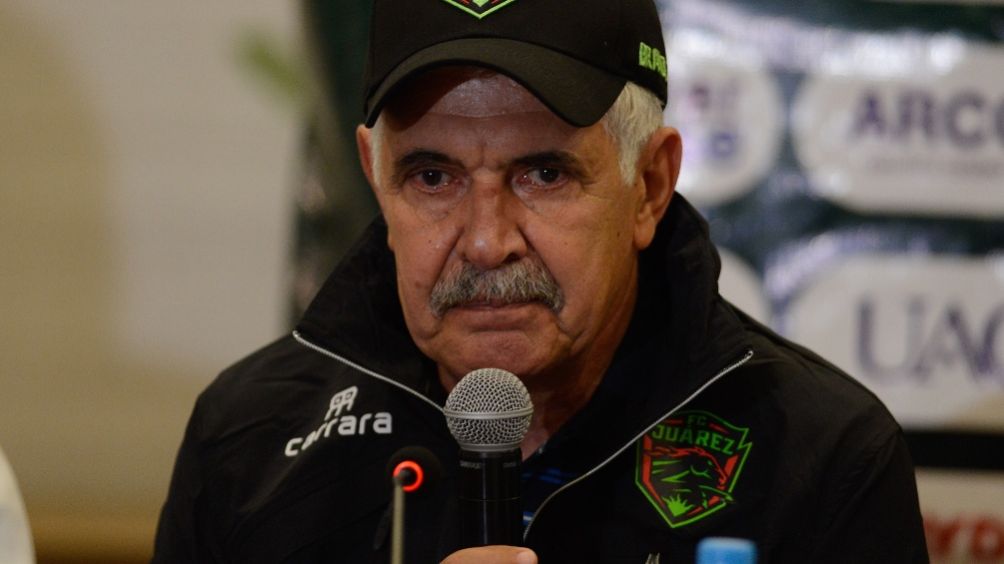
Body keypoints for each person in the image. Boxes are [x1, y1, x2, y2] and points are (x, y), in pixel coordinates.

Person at [153, 0, 929, 562]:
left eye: (544, 174)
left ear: (649, 186)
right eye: (432, 177)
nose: (486, 243)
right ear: (374, 178)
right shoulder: (249, 441)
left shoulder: (822, 460)